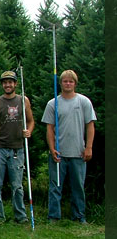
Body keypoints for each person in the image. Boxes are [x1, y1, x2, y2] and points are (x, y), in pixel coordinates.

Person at [41, 70, 96, 224]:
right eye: (65, 81)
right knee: (55, 187)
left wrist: (89, 147)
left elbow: (90, 126)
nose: (68, 84)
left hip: (78, 153)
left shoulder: (84, 102)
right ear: (60, 83)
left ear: (75, 84)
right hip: (59, 154)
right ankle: (54, 217)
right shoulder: (53, 104)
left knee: (78, 187)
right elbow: (49, 129)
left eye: (71, 81)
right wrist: (52, 149)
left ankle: (79, 216)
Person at [0, 70, 34, 223]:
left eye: (10, 82)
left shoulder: (23, 101)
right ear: (2, 84)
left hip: (17, 149)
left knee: (17, 186)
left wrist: (29, 131)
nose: (7, 84)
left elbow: (31, 121)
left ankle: (20, 216)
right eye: (5, 82)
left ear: (15, 84)